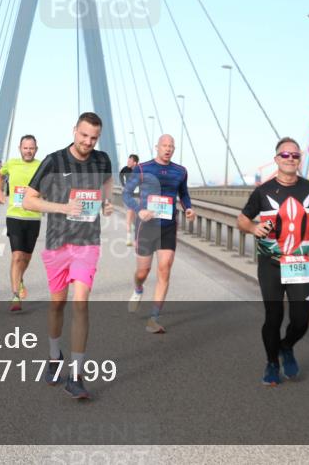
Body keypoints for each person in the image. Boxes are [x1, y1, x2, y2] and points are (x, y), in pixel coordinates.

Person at [23, 112, 114, 401]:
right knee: (57, 305)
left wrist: (107, 202)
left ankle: (76, 376)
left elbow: (108, 183)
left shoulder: (102, 160)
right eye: (84, 135)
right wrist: (63, 208)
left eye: (94, 138)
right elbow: (28, 199)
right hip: (57, 242)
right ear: (74, 130)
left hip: (88, 242)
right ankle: (54, 356)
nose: (88, 142)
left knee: (80, 303)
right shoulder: (53, 161)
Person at [237, 137, 309, 386]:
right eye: (285, 155)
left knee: (300, 319)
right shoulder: (263, 191)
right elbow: (242, 220)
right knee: (273, 316)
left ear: (300, 160)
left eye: (295, 155)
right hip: (271, 263)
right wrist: (254, 228)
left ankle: (286, 346)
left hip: (299, 263)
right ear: (276, 159)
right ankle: (272, 363)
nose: (290, 159)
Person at [123, 135, 194, 333]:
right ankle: (138, 289)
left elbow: (184, 194)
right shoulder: (143, 168)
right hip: (146, 225)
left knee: (164, 268)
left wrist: (188, 208)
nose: (168, 149)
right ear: (157, 147)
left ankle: (154, 318)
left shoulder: (180, 171)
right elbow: (126, 194)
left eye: (171, 146)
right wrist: (139, 210)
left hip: (168, 225)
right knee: (143, 272)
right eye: (164, 145)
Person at [0, 136, 41, 312]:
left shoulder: (41, 165)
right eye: (25, 148)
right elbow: (0, 174)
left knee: (26, 257)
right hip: (14, 216)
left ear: (36, 149)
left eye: (31, 148)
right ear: (19, 148)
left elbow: (52, 183)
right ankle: (15, 295)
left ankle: (20, 278)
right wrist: (0, 192)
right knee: (16, 256)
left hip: (33, 218)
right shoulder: (12, 163)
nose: (28, 151)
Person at [119, 154, 138, 246]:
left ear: (135, 162)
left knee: (135, 217)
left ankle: (135, 234)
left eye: (130, 161)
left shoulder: (140, 171)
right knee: (129, 215)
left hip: (137, 196)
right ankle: (129, 238)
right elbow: (120, 175)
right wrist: (123, 185)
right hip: (128, 195)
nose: (128, 163)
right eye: (128, 161)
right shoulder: (125, 169)